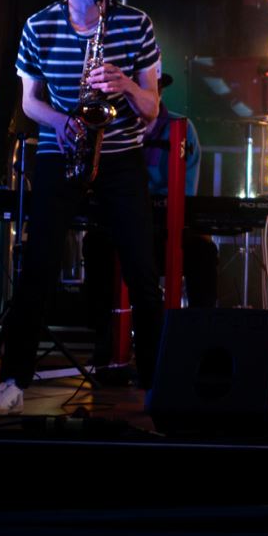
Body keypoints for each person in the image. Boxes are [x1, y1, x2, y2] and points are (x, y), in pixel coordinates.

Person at [0, 0, 164, 416]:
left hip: (120, 155)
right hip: (62, 151)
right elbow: (29, 102)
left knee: (143, 272)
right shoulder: (39, 26)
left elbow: (151, 108)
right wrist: (62, 122)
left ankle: (159, 383)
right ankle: (13, 381)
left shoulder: (135, 24)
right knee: (38, 265)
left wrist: (125, 84)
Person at [84, 75, 219, 373]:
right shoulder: (110, 126)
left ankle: (199, 345)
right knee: (94, 245)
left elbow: (184, 194)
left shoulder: (181, 128)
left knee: (203, 254)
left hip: (162, 232)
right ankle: (104, 341)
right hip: (120, 230)